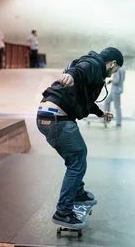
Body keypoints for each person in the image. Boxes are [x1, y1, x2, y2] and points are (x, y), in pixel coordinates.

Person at [36, 47, 124, 230]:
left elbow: (86, 100)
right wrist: (71, 75)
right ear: (112, 63)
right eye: (115, 70)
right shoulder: (95, 64)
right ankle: (63, 212)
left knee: (76, 158)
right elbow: (80, 69)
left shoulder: (95, 71)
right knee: (77, 159)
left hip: (49, 115)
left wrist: (100, 114)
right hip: (57, 118)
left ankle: (78, 192)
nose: (112, 74)